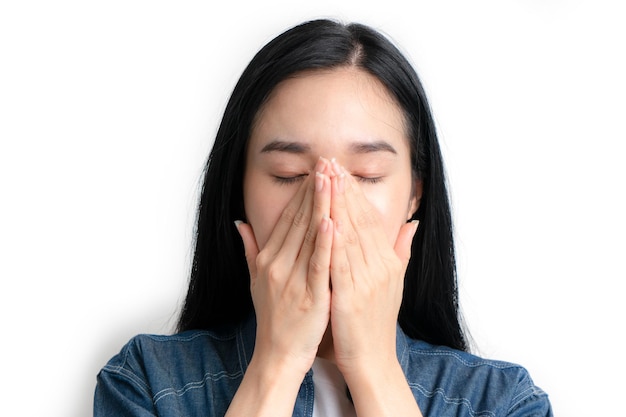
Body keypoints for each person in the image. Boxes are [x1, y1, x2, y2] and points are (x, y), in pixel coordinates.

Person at [94, 19, 552, 416]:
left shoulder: (504, 402)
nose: (326, 207)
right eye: (289, 174)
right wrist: (277, 362)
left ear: (415, 195)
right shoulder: (146, 383)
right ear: (239, 190)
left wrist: (375, 366)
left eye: (367, 175)